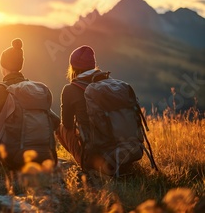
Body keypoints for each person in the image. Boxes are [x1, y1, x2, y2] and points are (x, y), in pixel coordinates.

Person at [57, 45, 150, 176]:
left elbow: (67, 124)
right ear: (93, 65)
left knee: (60, 127)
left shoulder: (70, 90)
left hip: (96, 161)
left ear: (73, 67)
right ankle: (119, 161)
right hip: (127, 153)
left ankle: (87, 166)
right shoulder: (109, 83)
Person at [0, 38, 60, 170]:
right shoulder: (37, 90)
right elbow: (55, 123)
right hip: (44, 155)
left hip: (13, 157)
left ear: (3, 67)